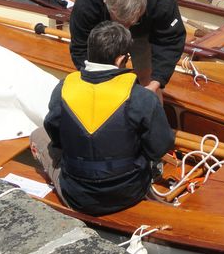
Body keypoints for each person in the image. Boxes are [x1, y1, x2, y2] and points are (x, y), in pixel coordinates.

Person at [30, 20, 174, 216]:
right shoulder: (142, 97)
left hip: (77, 195)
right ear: (120, 59)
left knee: (37, 135)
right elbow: (160, 145)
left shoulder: (63, 89)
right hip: (130, 192)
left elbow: (54, 133)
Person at [68, 0, 186, 99]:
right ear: (106, 3)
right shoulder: (88, 2)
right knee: (101, 81)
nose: (125, 33)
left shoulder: (160, 2)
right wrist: (97, 78)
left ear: (143, 7)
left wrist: (155, 83)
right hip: (103, 33)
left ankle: (152, 114)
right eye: (120, 22)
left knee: (147, 80)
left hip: (141, 33)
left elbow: (171, 40)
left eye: (131, 22)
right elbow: (80, 46)